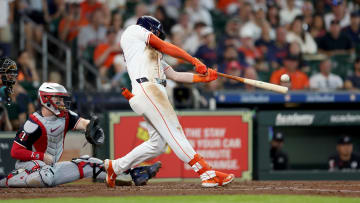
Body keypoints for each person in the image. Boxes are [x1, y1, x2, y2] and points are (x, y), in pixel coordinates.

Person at [104, 16, 234, 188]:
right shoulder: (133, 31)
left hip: (153, 91)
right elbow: (165, 46)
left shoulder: (149, 53)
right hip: (148, 88)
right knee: (174, 131)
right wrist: (194, 60)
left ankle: (116, 167)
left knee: (157, 145)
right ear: (151, 28)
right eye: (157, 33)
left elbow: (175, 75)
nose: (158, 36)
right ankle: (206, 173)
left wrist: (203, 78)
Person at [0, 82, 160, 187]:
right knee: (45, 177)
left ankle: (134, 173)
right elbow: (15, 152)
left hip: (51, 168)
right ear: (46, 99)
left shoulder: (66, 115)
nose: (62, 103)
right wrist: (40, 157)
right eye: (59, 99)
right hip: (29, 167)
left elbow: (83, 123)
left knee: (89, 162)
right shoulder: (33, 123)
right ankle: (8, 180)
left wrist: (91, 128)